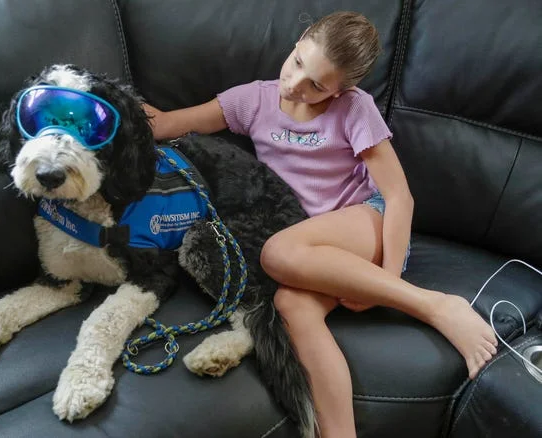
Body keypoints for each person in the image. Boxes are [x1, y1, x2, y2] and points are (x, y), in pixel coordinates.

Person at [143, 11, 497, 438]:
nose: (296, 85)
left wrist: (387, 278)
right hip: (310, 250)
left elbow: (400, 196)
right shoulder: (252, 100)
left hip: (366, 221)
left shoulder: (355, 108)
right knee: (290, 307)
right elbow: (165, 124)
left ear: (343, 88)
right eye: (297, 63)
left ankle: (436, 305)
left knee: (277, 252)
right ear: (299, 41)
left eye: (317, 85)